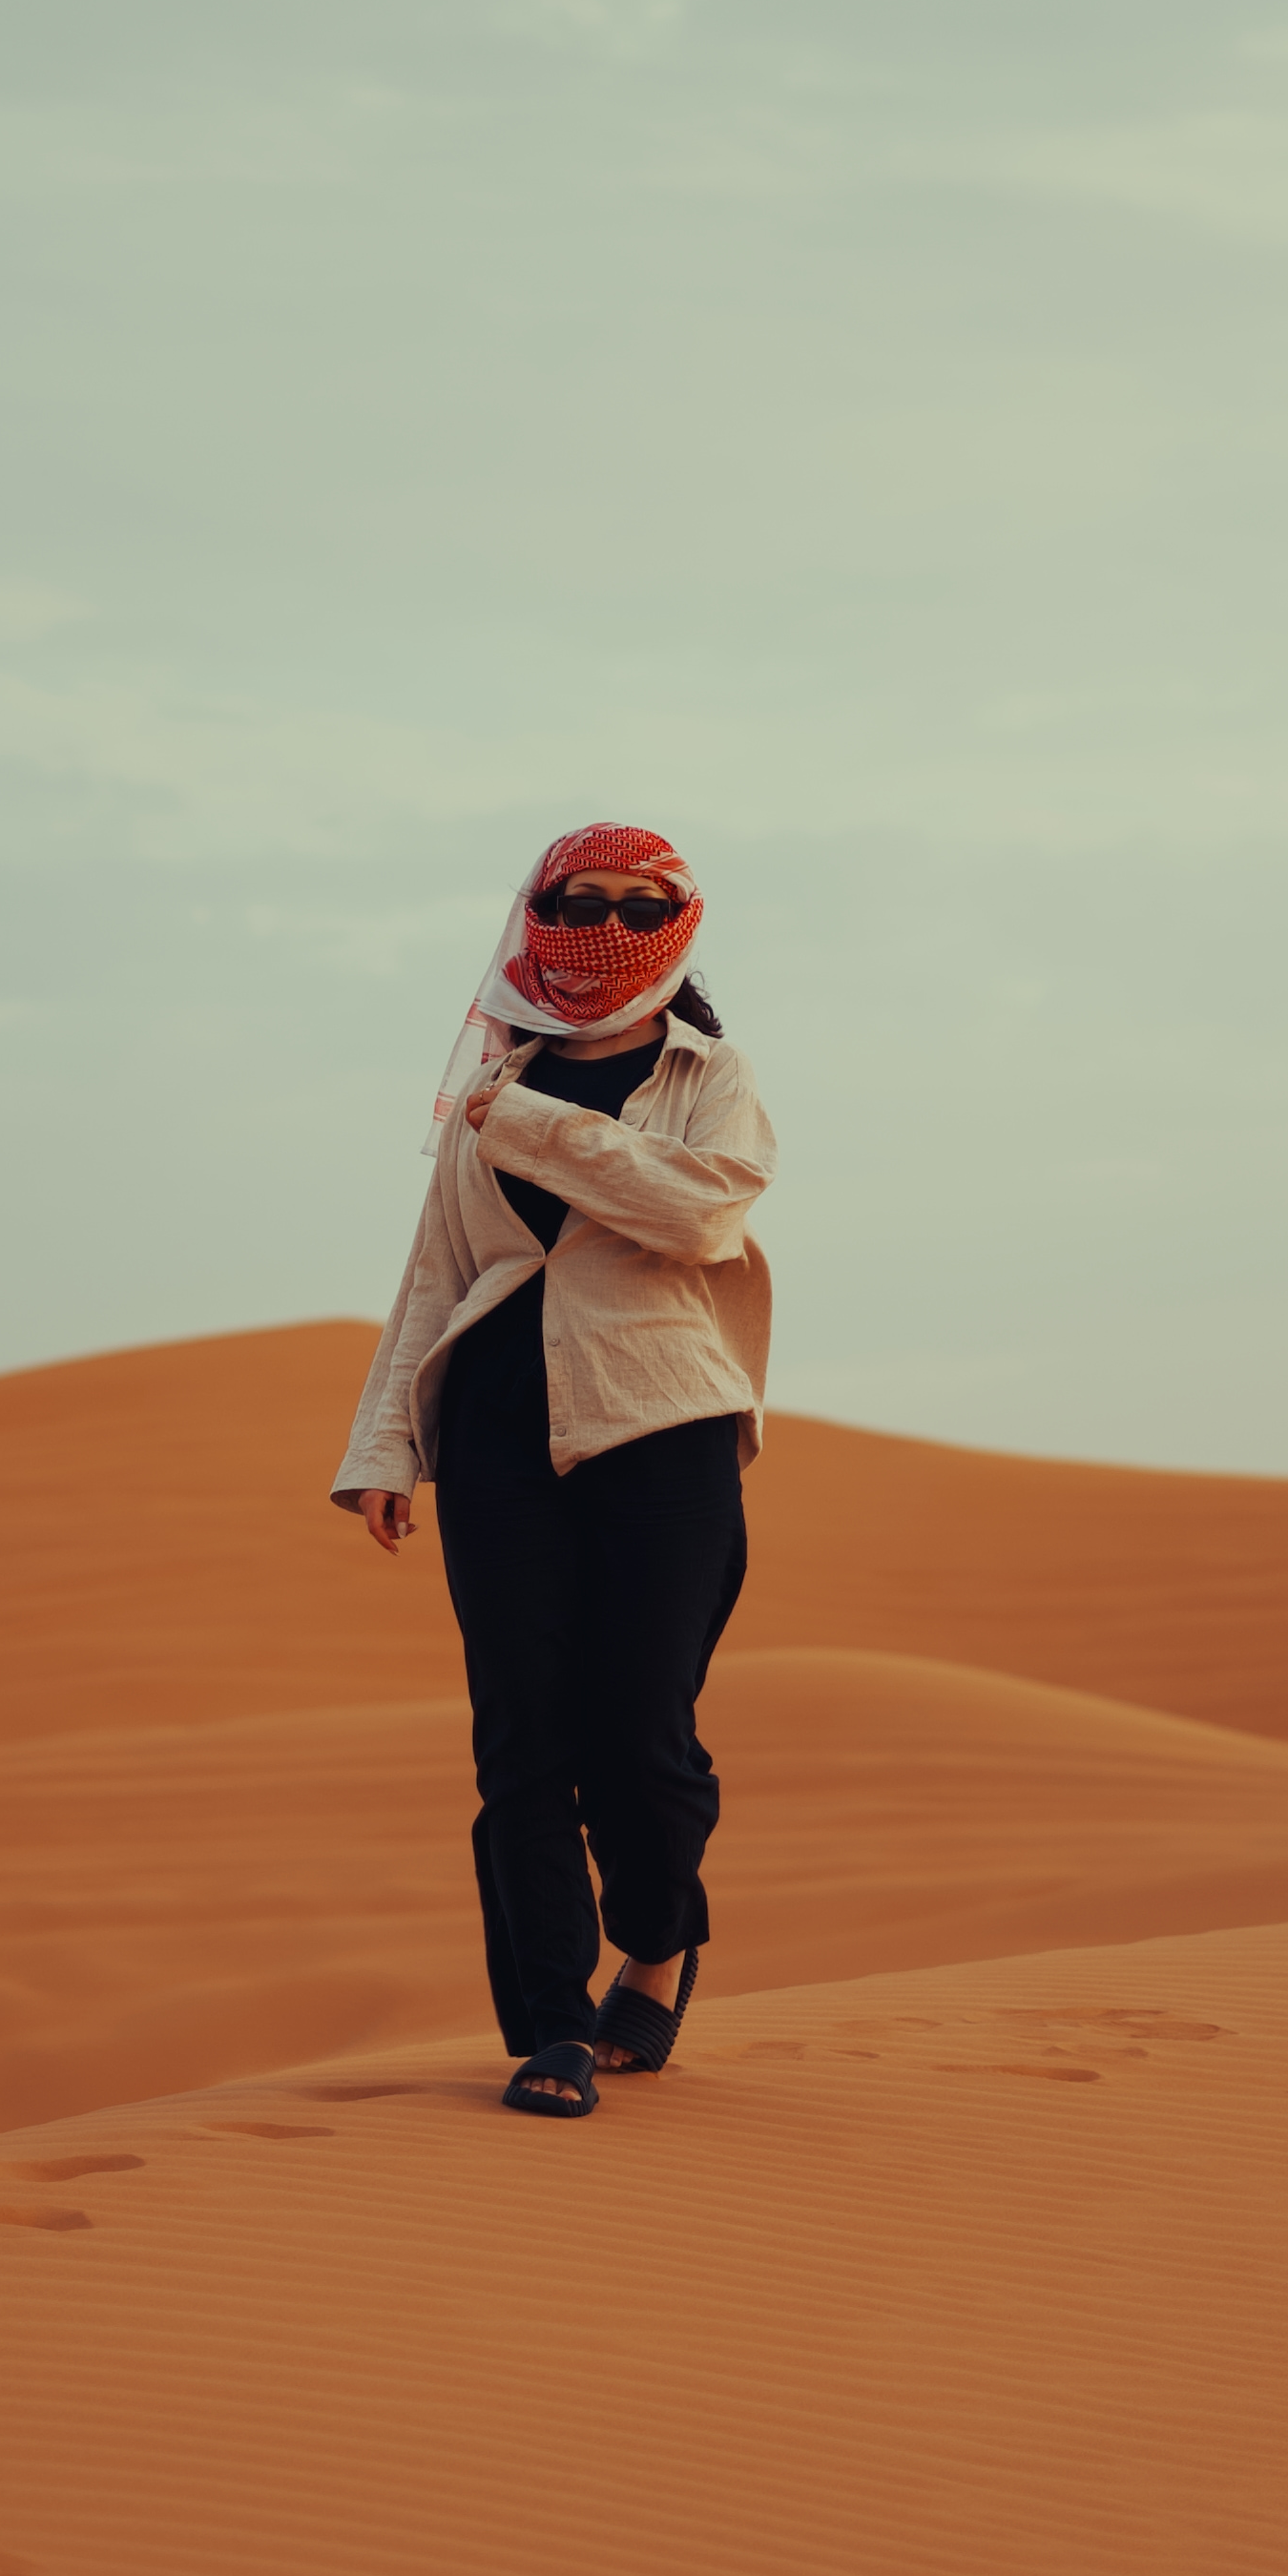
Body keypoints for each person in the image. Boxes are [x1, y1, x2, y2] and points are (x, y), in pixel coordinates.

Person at [332, 822, 778, 2120]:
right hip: (492, 1432)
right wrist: (384, 1450)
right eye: (578, 899)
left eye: (641, 904)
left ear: (681, 922)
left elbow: (701, 1214)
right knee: (523, 1742)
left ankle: (659, 1937)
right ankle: (551, 2027)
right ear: (536, 915)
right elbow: (437, 1276)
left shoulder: (706, 1075)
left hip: (664, 1420)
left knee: (644, 1735)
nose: (606, 923)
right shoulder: (490, 1086)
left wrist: (522, 1121)